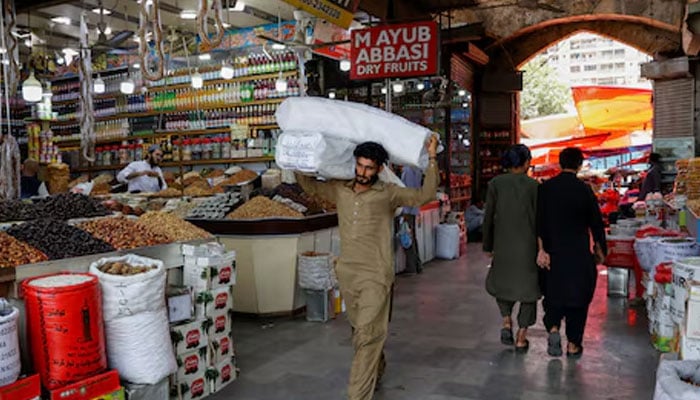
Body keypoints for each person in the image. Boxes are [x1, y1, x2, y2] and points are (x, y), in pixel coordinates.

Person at [295, 137, 438, 400]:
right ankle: (378, 366)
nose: (362, 173)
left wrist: (431, 158)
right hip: (348, 274)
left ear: (380, 168)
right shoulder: (341, 189)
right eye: (359, 166)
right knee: (360, 331)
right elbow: (310, 186)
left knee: (367, 334)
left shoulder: (389, 193)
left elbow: (424, 195)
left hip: (376, 275)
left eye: (369, 168)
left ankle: (357, 395)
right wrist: (296, 155)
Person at [537, 147, 607, 359]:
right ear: (579, 165)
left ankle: (553, 329)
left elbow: (538, 222)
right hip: (578, 254)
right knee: (578, 299)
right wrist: (600, 250)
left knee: (553, 295)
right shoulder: (584, 190)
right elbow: (597, 223)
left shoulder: (546, 189)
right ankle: (573, 345)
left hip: (553, 252)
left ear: (560, 163)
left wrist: (541, 250)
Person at [482, 144, 540, 353]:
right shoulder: (534, 186)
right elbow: (540, 220)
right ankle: (521, 337)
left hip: (503, 244)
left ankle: (506, 321)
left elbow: (488, 217)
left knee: (502, 283)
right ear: (525, 163)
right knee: (529, 291)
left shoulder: (496, 184)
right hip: (528, 246)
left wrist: (488, 244)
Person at [399, 165, 423, 274]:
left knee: (407, 237)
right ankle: (417, 265)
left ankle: (411, 267)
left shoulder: (408, 170)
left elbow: (408, 191)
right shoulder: (416, 169)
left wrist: (406, 211)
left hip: (408, 209)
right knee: (412, 236)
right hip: (412, 208)